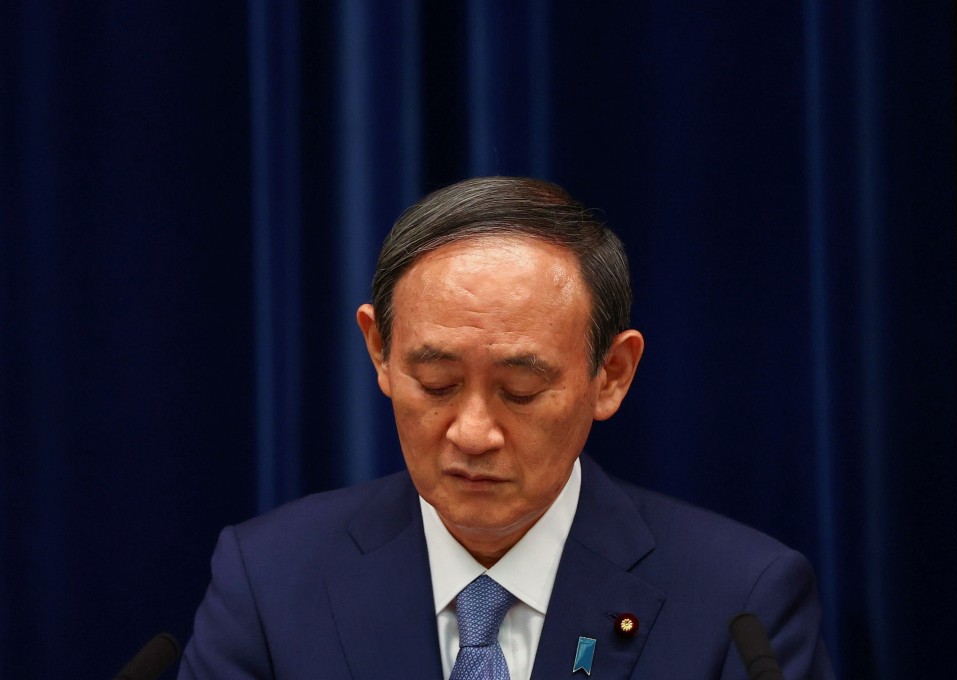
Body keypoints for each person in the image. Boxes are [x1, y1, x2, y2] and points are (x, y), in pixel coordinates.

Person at [177, 176, 835, 679]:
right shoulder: (268, 580)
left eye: (520, 391)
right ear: (378, 351)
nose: (472, 432)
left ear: (611, 374)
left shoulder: (740, 602)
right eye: (436, 383)